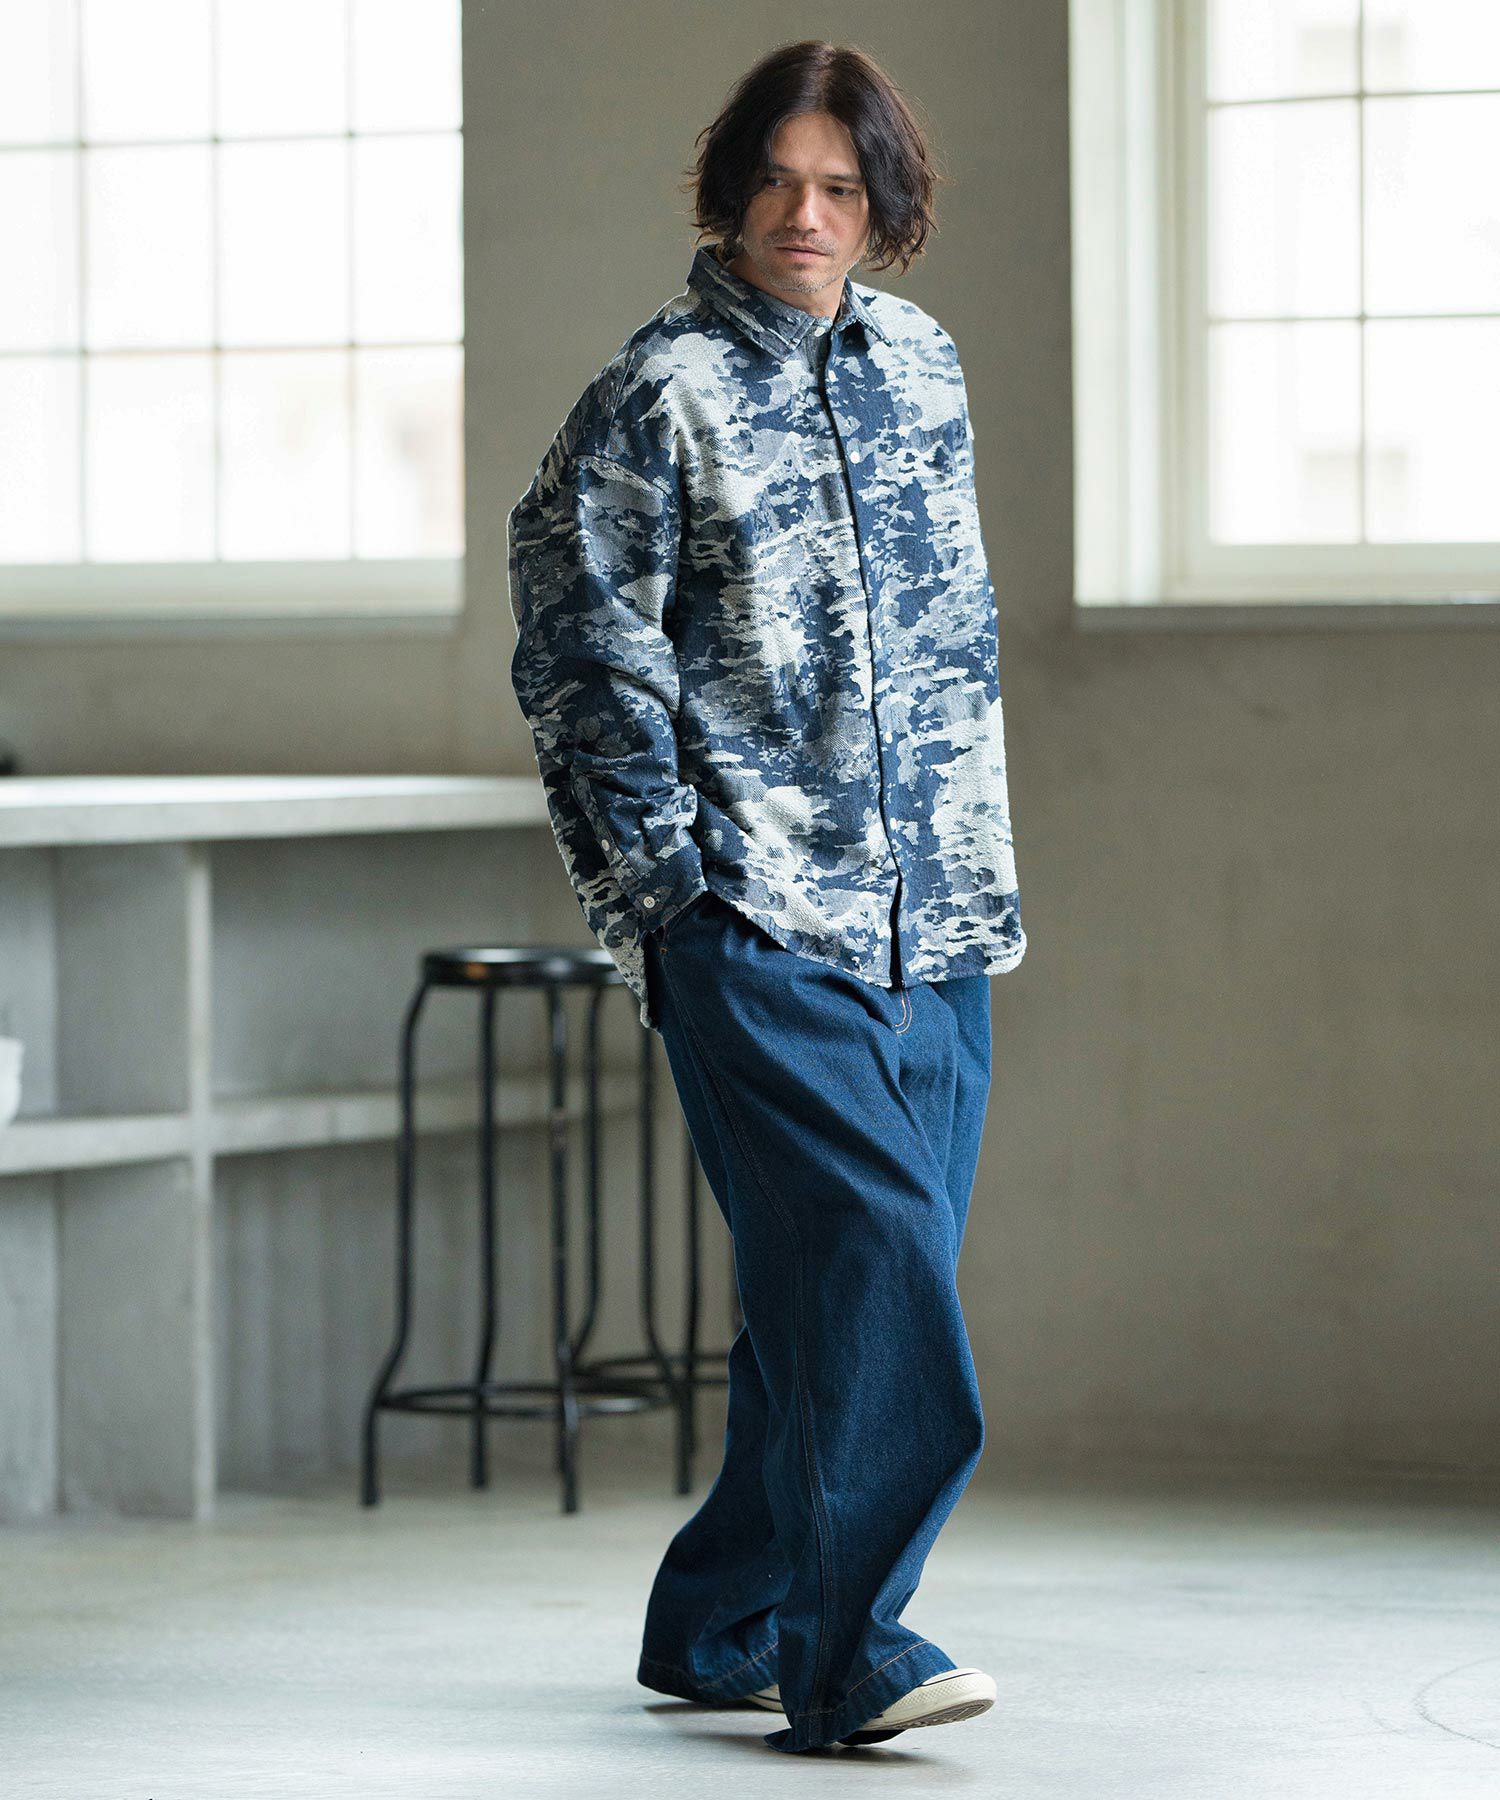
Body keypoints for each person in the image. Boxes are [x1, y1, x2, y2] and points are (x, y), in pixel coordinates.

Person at [507, 38, 1026, 1755]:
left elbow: (952, 635)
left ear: (884, 207)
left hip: (939, 916)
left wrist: (969, 863)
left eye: (842, 187)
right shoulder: (654, 396)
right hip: (753, 915)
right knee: (874, 1264)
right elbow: (581, 656)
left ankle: (720, 1619)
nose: (807, 215)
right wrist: (666, 901)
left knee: (843, 1289)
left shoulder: (925, 366)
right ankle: (849, 1653)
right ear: (732, 191)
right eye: (780, 182)